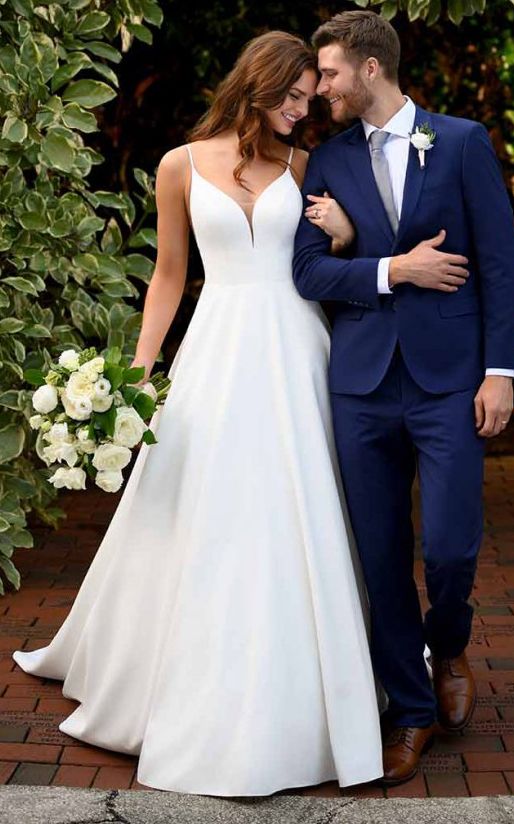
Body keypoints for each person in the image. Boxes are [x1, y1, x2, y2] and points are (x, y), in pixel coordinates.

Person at [13, 32, 384, 796]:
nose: (299, 109)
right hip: (216, 349)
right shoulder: (180, 166)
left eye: (309, 100)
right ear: (258, 82)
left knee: (299, 506)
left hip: (296, 352)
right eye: (291, 95)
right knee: (198, 505)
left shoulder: (307, 167)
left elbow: (329, 261)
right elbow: (170, 277)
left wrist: (344, 236)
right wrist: (140, 372)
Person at [294, 10, 514, 786]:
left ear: (370, 69)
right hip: (359, 385)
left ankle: (448, 641)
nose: (318, 88)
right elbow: (309, 273)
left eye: (327, 73)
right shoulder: (323, 161)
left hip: (451, 380)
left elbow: (499, 262)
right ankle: (412, 708)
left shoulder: (460, 142)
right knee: (380, 554)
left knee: (451, 545)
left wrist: (502, 371)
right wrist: (390, 268)